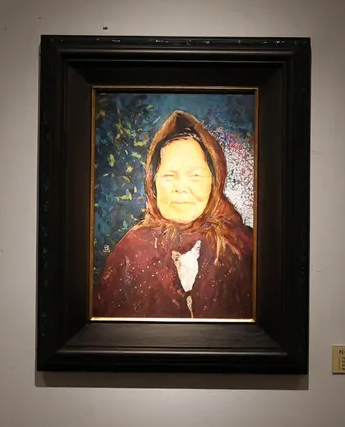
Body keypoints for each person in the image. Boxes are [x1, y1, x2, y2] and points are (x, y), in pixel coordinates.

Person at [93, 110, 256, 319]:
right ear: (153, 183)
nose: (180, 187)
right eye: (169, 175)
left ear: (215, 181)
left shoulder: (244, 248)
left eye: (195, 175)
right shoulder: (131, 251)